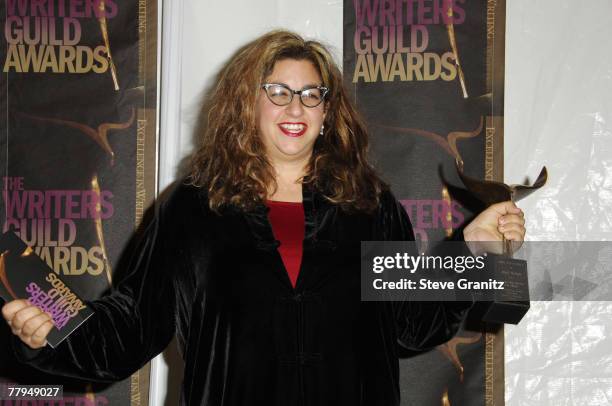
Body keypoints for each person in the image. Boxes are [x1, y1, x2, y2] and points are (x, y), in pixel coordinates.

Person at [2, 30, 525, 405]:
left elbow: (411, 323)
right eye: (276, 91)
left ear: (327, 113)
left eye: (310, 94)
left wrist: (471, 248)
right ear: (246, 105)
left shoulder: (368, 206)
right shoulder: (192, 207)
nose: (294, 107)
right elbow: (133, 324)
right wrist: (54, 332)